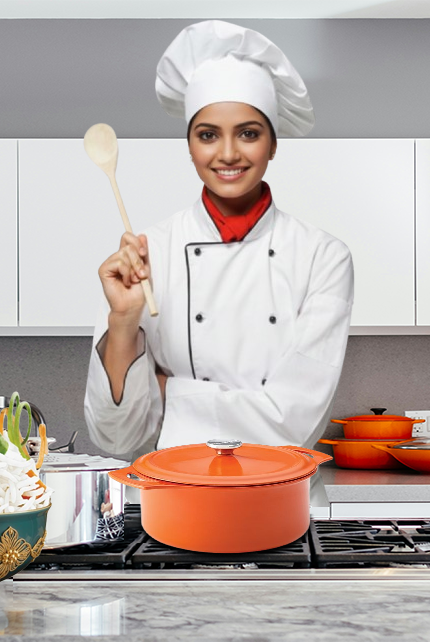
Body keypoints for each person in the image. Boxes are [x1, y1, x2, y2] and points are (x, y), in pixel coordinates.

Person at [84, 20, 354, 459]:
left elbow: (293, 422)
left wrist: (167, 392)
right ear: (190, 146)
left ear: (273, 144)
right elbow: (116, 438)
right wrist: (124, 320)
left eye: (249, 133)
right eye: (208, 135)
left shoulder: (322, 257)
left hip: (279, 493)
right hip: (172, 491)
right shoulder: (146, 255)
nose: (228, 154)